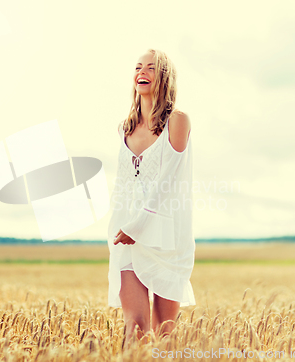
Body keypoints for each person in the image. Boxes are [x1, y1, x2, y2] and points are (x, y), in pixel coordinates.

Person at [107, 49, 196, 347]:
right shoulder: (125, 128)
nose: (142, 72)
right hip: (127, 234)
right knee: (134, 328)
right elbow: (122, 186)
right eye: (137, 67)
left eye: (151, 68)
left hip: (166, 238)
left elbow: (167, 182)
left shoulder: (177, 121)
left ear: (164, 77)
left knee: (163, 334)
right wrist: (121, 226)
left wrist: (140, 225)